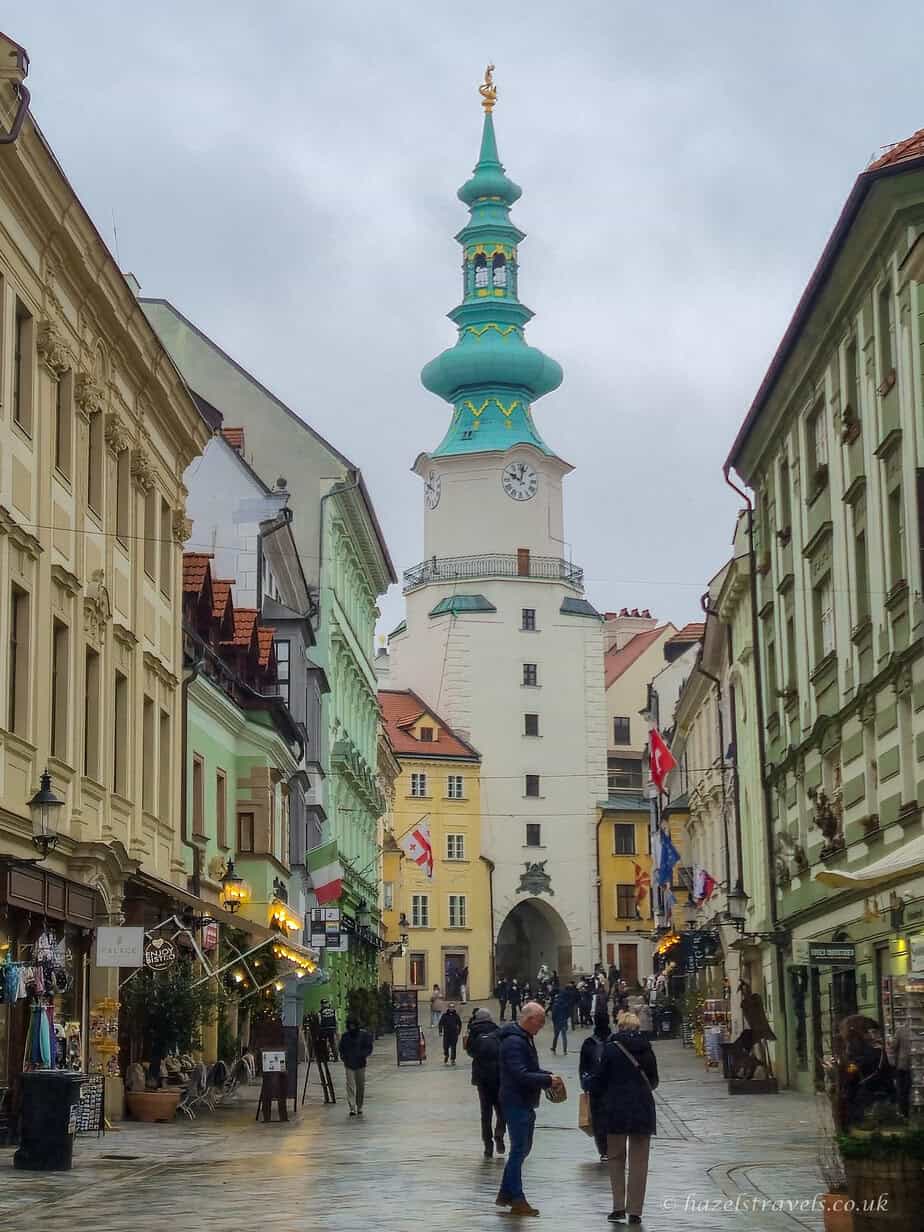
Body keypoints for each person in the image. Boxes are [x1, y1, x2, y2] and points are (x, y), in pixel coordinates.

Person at [589, 1009, 659, 1224]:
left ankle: (618, 1207)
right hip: (642, 1110)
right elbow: (654, 1081)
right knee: (639, 1161)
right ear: (638, 1028)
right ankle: (635, 1210)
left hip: (616, 1109)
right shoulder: (646, 1048)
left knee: (616, 1158)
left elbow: (598, 1081)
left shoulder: (610, 1050)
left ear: (619, 1028)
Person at [495, 1002, 564, 1216]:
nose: (542, 1026)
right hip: (516, 1101)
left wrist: (548, 1075)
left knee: (522, 1150)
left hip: (523, 1101)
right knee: (518, 1150)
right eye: (540, 1022)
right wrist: (546, 1080)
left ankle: (506, 1194)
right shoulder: (515, 1042)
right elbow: (520, 1074)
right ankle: (517, 1199)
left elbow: (529, 1069)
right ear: (529, 1019)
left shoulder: (524, 1038)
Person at [838, 1014, 895, 1129]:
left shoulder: (870, 1052)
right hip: (869, 1098)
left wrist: (844, 1070)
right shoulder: (869, 1050)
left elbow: (854, 1071)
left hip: (868, 1100)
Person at [466, 1007, 506, 1158]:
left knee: (486, 1113)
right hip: (498, 1076)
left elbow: (470, 1052)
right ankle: (499, 1134)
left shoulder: (473, 1031)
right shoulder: (498, 1030)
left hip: (482, 1079)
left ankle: (488, 1145)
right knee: (502, 1110)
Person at [580, 1010, 612, 1162]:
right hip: (613, 1086)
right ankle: (613, 1147)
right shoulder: (615, 1041)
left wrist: (585, 1085)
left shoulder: (589, 1043)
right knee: (613, 1117)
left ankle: (603, 1150)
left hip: (595, 1087)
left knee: (598, 1120)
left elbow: (583, 1067)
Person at [338, 1016, 374, 1116]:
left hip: (360, 1064)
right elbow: (341, 1048)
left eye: (353, 1025)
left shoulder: (364, 1035)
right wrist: (344, 1057)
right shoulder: (345, 1036)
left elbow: (369, 1048)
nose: (352, 1027)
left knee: (360, 1086)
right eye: (350, 1025)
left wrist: (363, 1055)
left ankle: (359, 1106)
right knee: (350, 1085)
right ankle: (352, 1107)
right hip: (349, 1064)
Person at [551, 983, 575, 1055]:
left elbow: (553, 1014)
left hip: (557, 1021)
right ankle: (564, 1050)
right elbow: (568, 1013)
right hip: (563, 1020)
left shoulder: (556, 1004)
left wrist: (554, 1020)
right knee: (564, 1036)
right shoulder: (566, 1004)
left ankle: (554, 1047)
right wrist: (566, 1018)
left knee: (556, 1035)